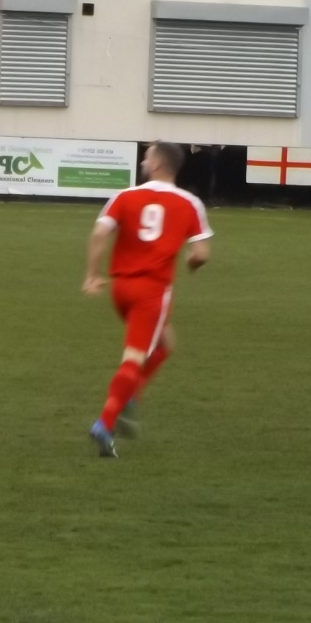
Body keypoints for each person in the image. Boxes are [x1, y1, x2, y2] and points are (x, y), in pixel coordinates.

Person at [81, 142, 213, 459]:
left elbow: (99, 234)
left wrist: (92, 275)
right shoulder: (189, 202)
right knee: (135, 357)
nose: (143, 161)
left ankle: (130, 395)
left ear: (156, 165)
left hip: (120, 289)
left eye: (146, 156)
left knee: (166, 343)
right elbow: (201, 254)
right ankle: (105, 422)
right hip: (151, 292)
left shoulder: (124, 196)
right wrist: (192, 263)